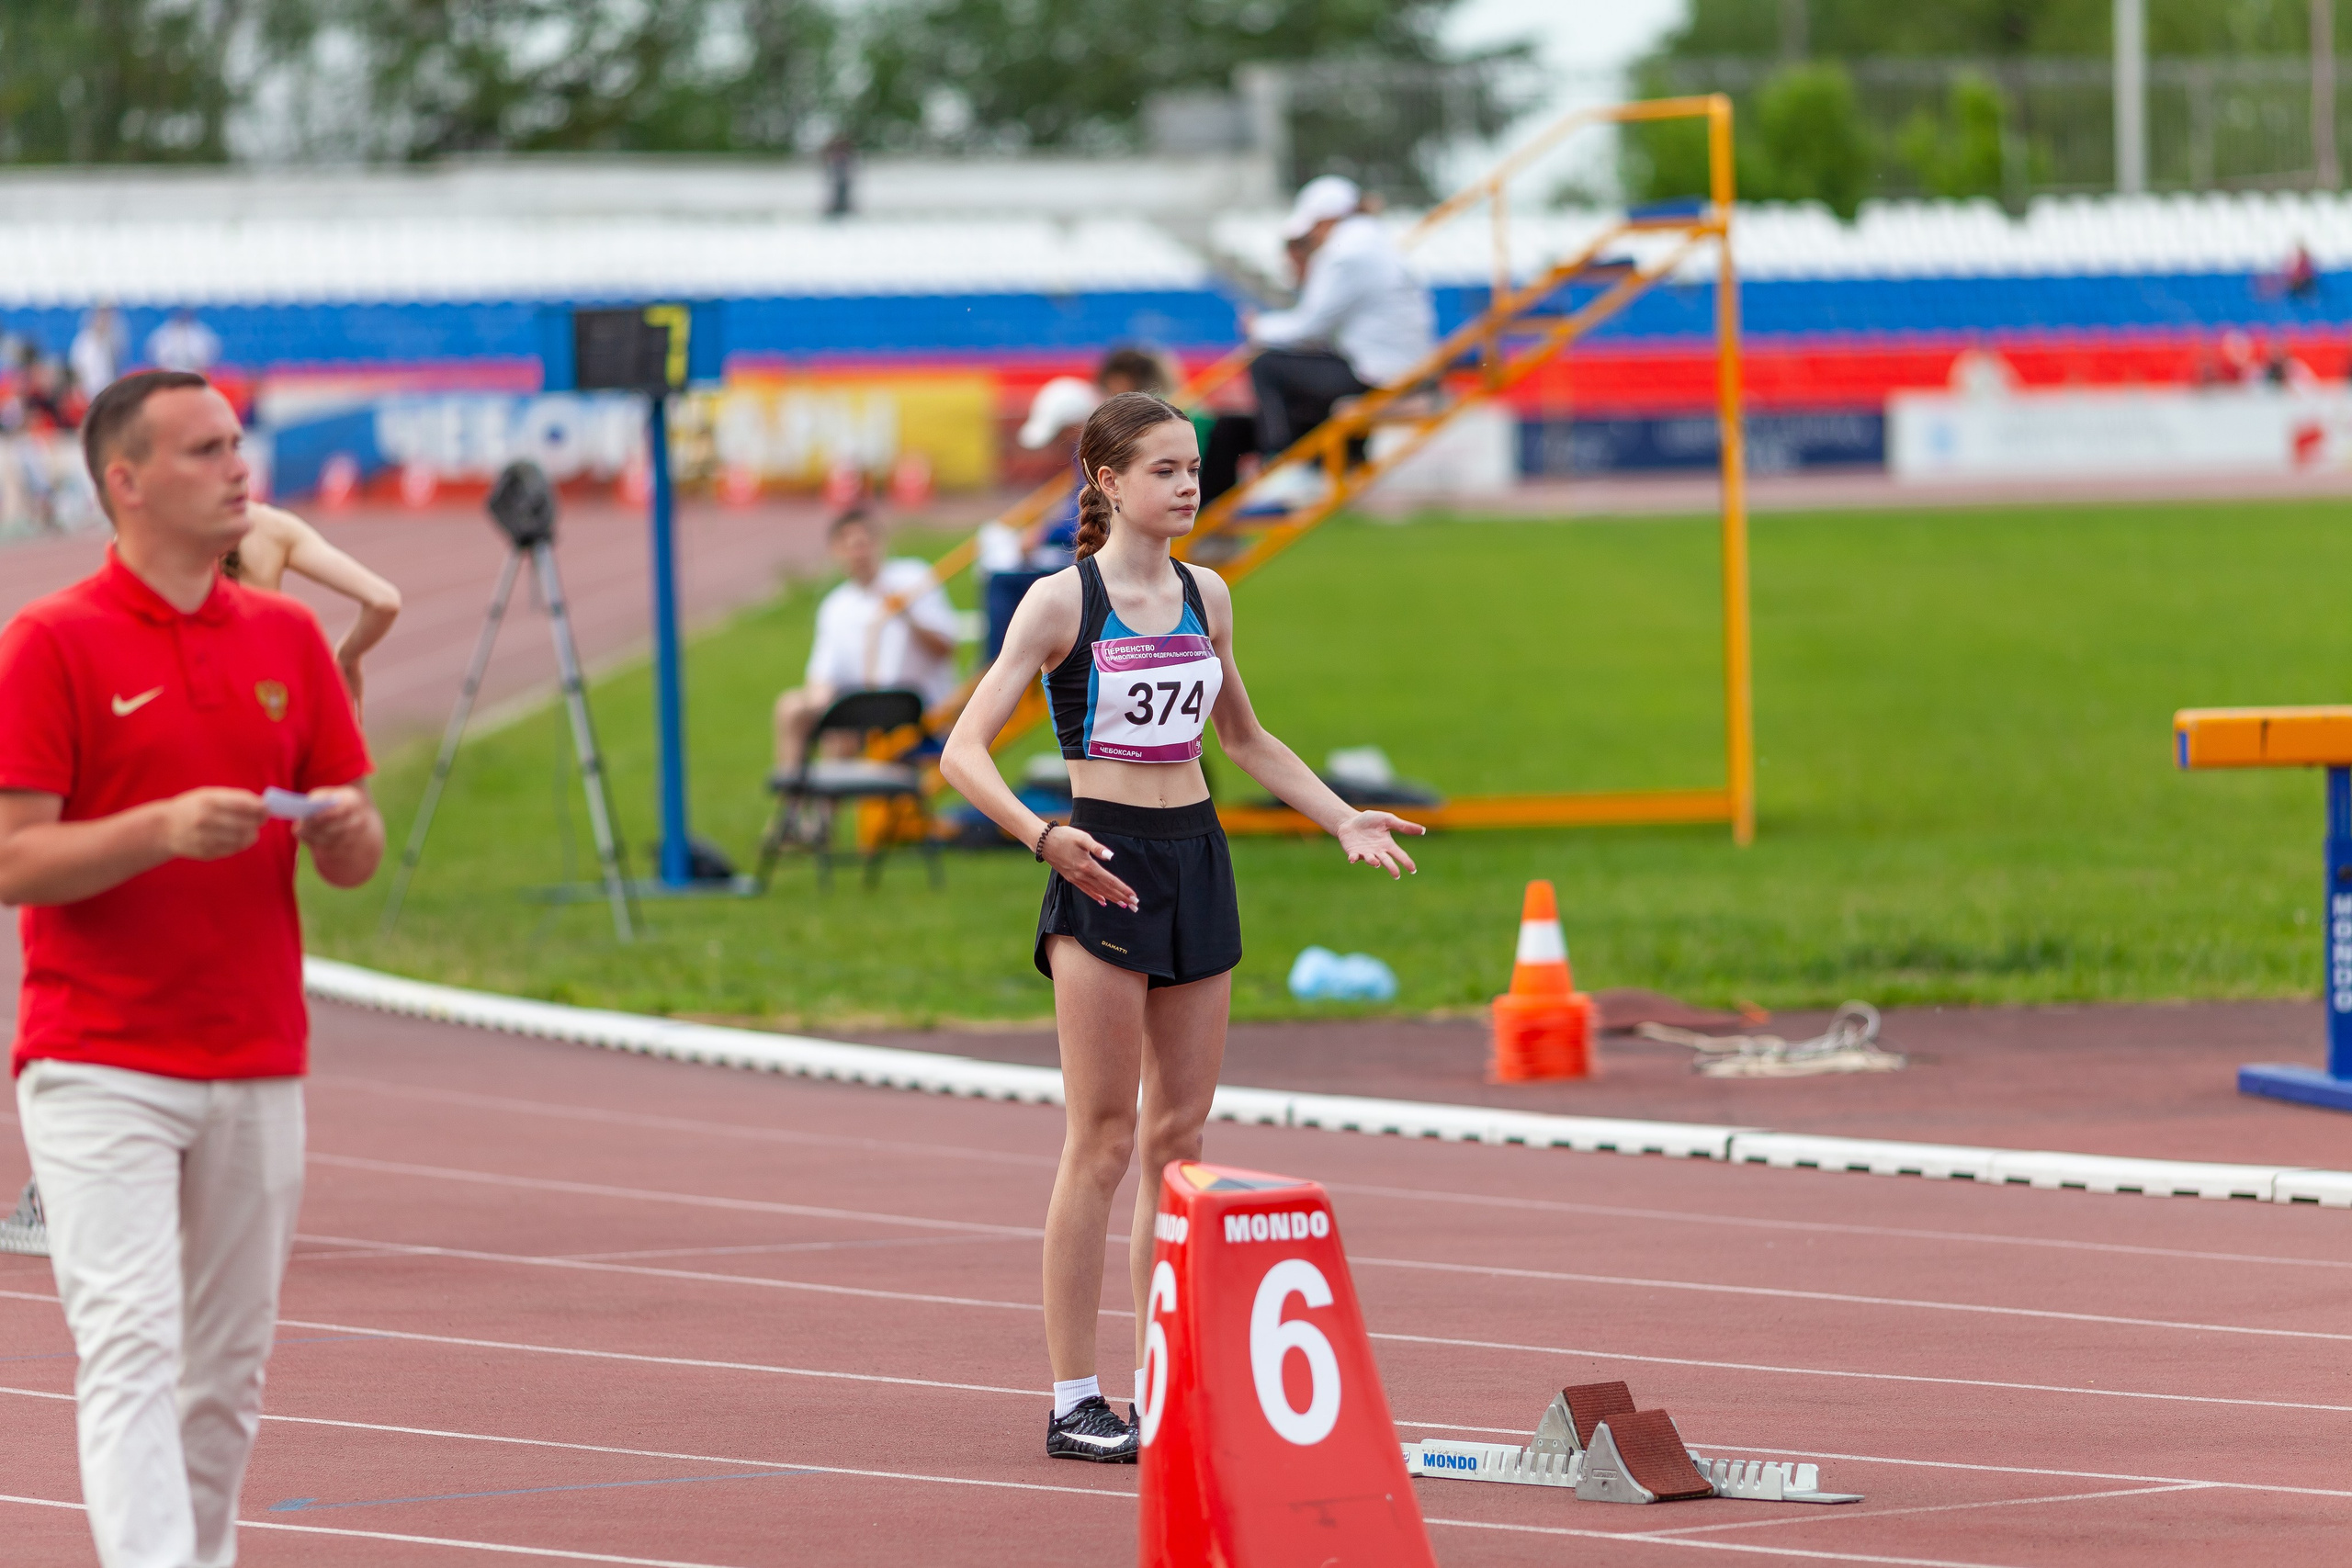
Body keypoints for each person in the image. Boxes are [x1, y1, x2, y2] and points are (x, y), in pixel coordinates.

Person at [938, 392, 1423, 1462]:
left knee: (1179, 1140)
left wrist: (1341, 817)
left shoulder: (1208, 594)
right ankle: (1075, 1400)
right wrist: (1041, 836)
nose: (1188, 485)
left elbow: (1244, 738)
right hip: (1100, 863)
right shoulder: (1059, 604)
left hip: (1196, 859)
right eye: (1163, 469)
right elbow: (961, 751)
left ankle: (1164, 1383)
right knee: (1103, 1139)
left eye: (1193, 467)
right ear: (1107, 482)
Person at [0, 368, 383, 1568]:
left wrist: (345, 834)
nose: (239, 466)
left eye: (235, 442)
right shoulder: (49, 641)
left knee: (225, 1371)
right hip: (97, 1059)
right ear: (126, 481)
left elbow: (357, 846)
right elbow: (12, 858)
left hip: (258, 1053)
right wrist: (159, 830)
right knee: (129, 1344)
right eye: (206, 449)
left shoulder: (286, 637)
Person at [1208, 175, 1436, 506]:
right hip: (1395, 368)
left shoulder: (1346, 253)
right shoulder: (1375, 243)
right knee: (1255, 410)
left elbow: (1309, 325)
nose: (1312, 239)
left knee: (1266, 364)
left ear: (1327, 220)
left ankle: (1285, 465)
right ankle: (1312, 464)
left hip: (1378, 373)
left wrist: (1258, 328)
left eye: (1312, 229)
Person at [773, 507, 963, 773]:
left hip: (919, 709)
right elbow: (823, 675)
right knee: (794, 707)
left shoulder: (912, 579)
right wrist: (818, 705)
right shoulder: (835, 607)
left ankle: (827, 793)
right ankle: (793, 793)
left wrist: (906, 613)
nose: (858, 553)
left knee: (843, 730)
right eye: (848, 546)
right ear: (836, 552)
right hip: (863, 709)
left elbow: (946, 647)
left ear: (879, 542)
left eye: (863, 543)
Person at [222, 502, 403, 716]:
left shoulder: (189, 534)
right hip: (266, 701)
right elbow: (384, 601)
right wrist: (346, 658)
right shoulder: (275, 527)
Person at [70, 303, 128, 402]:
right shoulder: (83, 341)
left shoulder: (113, 340)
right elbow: (76, 369)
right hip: (86, 394)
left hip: (107, 393)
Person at [146, 309, 223, 375]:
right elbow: (153, 350)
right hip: (169, 371)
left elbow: (212, 349)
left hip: (196, 371)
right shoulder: (163, 332)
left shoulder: (201, 331)